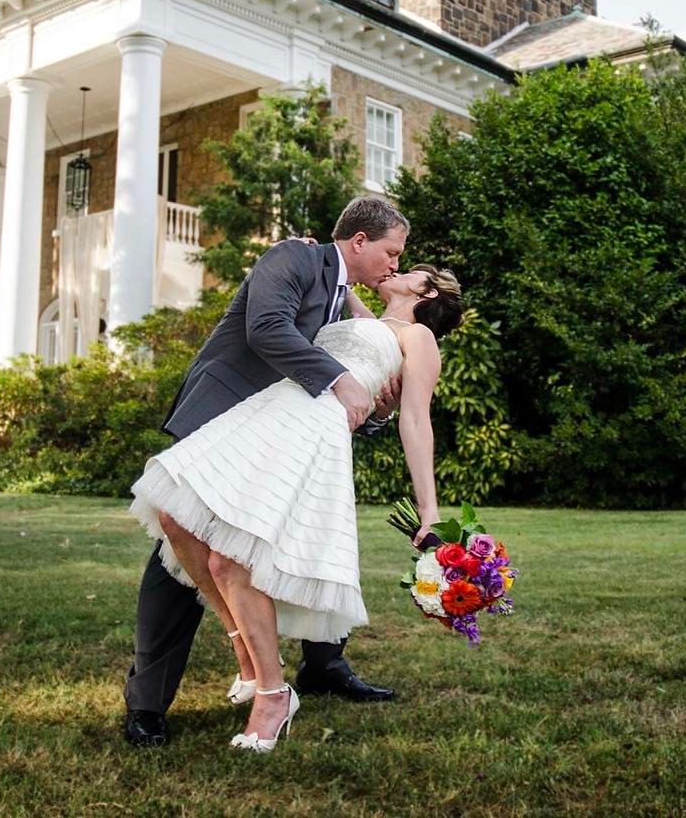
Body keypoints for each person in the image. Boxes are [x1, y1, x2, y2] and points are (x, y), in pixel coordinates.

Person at [130, 258, 464, 751]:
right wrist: (319, 254)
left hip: (312, 431)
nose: (396, 268)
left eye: (410, 269)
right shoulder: (364, 316)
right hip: (270, 409)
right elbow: (342, 270)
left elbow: (415, 421)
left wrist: (429, 510)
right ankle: (244, 648)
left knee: (232, 556)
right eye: (394, 256)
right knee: (174, 515)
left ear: (428, 292)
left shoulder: (419, 338)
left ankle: (272, 695)